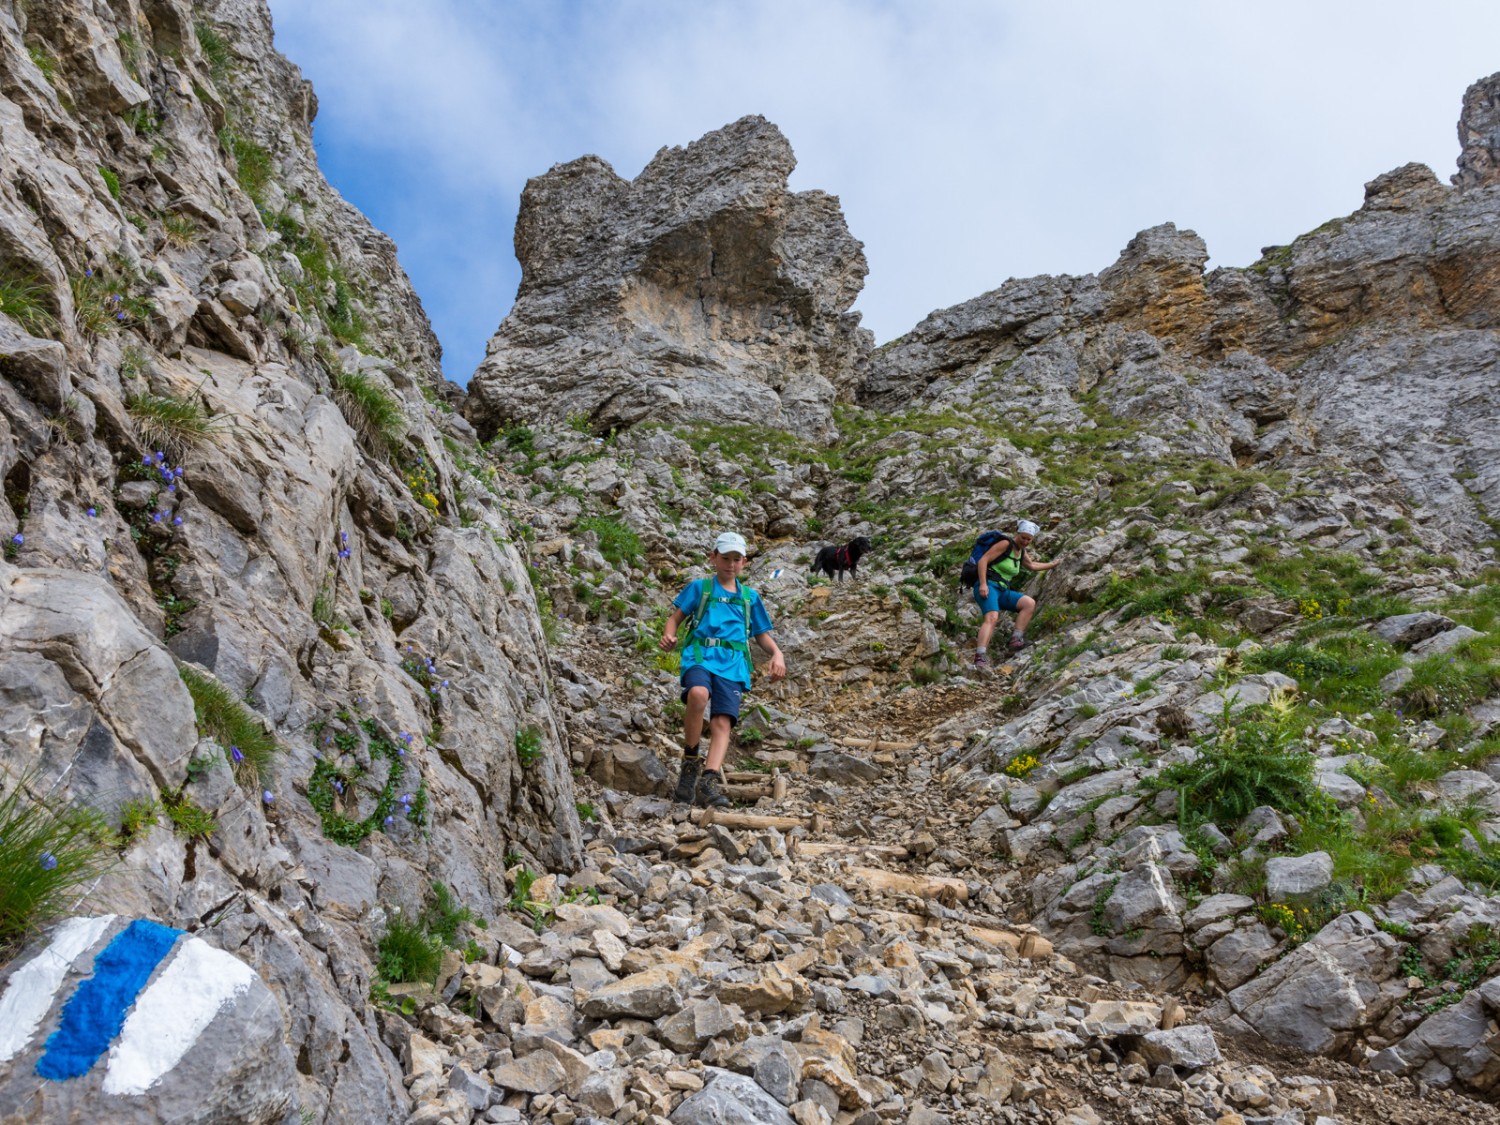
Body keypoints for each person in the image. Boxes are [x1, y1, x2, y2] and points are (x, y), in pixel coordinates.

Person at [659, 532, 787, 807]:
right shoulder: (700, 588)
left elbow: (761, 635)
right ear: (713, 558)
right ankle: (691, 759)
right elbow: (675, 619)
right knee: (697, 693)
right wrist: (669, 637)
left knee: (721, 722)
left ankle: (708, 779)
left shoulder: (750, 598)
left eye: (736, 559)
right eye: (725, 558)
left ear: (744, 562)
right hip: (700, 655)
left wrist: (777, 653)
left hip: (733, 664)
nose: (730, 564)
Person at [971, 519, 1061, 670]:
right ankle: (980, 657)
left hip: (1003, 590)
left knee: (1029, 603)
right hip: (989, 586)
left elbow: (1032, 565)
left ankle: (1015, 640)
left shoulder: (1021, 551)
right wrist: (983, 584)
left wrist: (1053, 565)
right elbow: (983, 560)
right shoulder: (1005, 544)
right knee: (992, 618)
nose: (1025, 541)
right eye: (1023, 537)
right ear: (1017, 534)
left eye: (1029, 539)